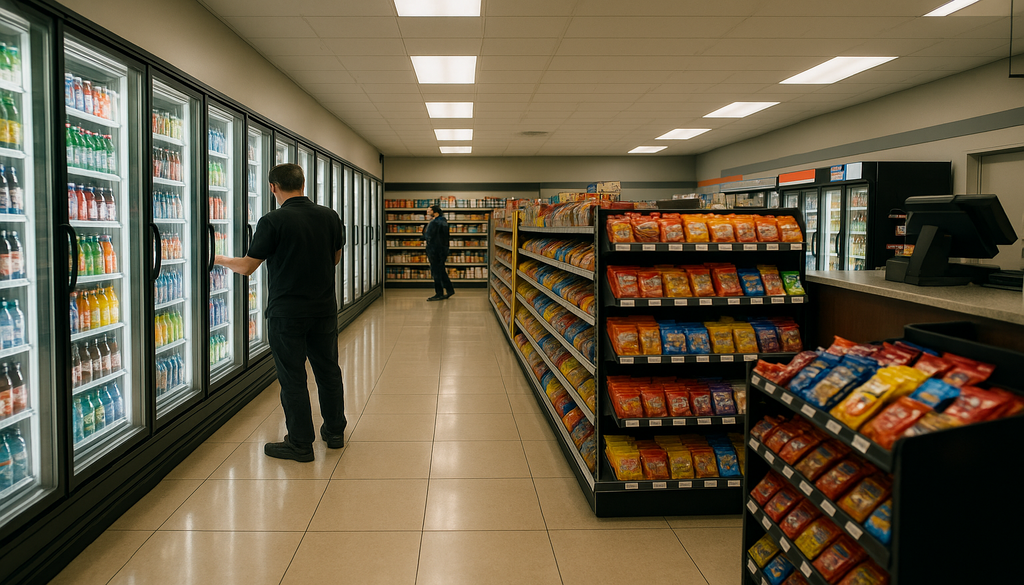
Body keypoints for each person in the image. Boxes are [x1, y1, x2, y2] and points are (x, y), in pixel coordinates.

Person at [214, 163, 346, 462]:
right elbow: (335, 259)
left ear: (273, 187)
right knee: (328, 371)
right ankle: (335, 431)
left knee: (293, 379)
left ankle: (300, 443)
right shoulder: (330, 216)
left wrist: (218, 257)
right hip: (323, 310)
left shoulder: (272, 221)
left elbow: (247, 267)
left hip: (287, 313)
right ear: (303, 184)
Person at [423, 204, 454, 301]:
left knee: (435, 271)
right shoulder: (443, 221)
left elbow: (428, 235)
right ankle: (449, 289)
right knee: (441, 270)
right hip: (442, 249)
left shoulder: (435, 222)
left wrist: (424, 236)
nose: (428, 211)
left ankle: (439, 293)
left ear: (435, 211)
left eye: (429, 209)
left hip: (435, 250)